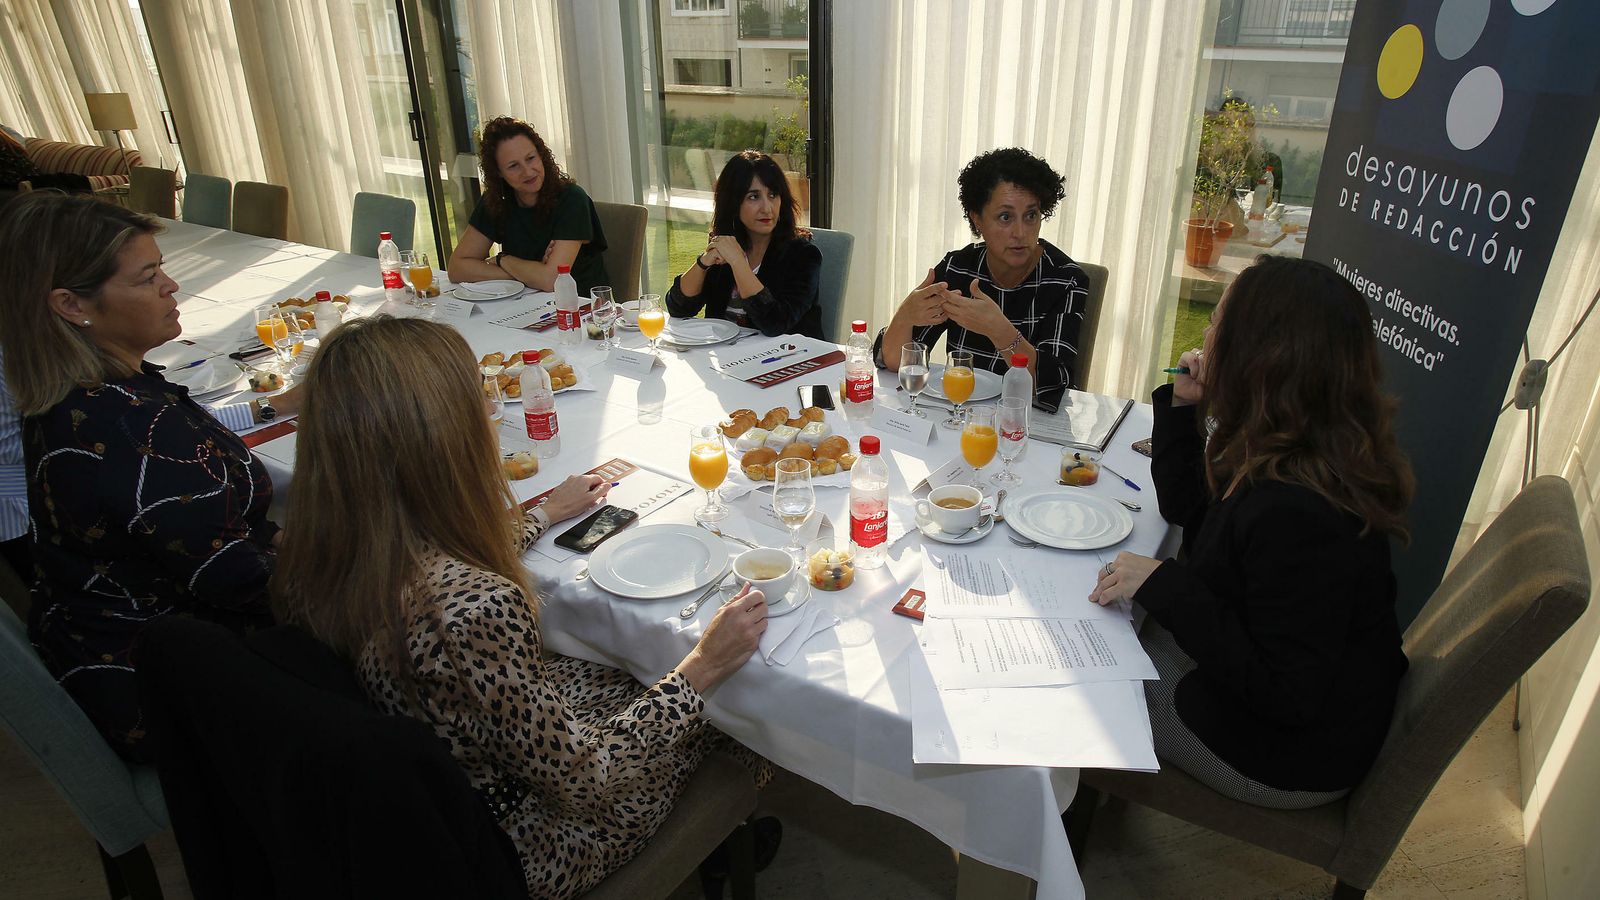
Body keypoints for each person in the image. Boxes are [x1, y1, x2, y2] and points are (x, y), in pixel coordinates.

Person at [273, 315, 773, 900]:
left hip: (432, 793)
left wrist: (541, 514)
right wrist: (704, 666)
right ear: (443, 441)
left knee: (631, 664)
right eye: (478, 403)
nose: (492, 416)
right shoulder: (473, 611)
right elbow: (587, 780)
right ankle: (722, 839)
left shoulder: (314, 548)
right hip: (530, 840)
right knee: (737, 709)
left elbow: (430, 555)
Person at [1090, 255, 1414, 809]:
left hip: (1284, 754)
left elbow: (1286, 695)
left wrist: (1166, 584)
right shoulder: (1298, 443)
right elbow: (1190, 508)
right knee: (1116, 629)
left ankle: (1067, 825)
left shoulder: (1299, 510)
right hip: (1288, 699)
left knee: (1088, 681)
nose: (1204, 337)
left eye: (1217, 323)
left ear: (1259, 357)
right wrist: (1185, 409)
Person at [0, 192, 286, 760]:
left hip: (109, 644)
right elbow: (238, 581)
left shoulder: (78, 395)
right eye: (148, 277)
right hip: (169, 689)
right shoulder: (134, 427)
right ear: (71, 305)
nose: (171, 286)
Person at [875, 148, 1090, 412]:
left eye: (1031, 215)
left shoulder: (1066, 280)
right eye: (1005, 217)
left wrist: (999, 331)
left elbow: (1051, 385)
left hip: (1026, 421)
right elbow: (897, 362)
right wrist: (905, 315)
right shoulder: (958, 267)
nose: (1020, 232)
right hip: (959, 413)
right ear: (977, 219)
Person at [666, 150, 823, 339]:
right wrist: (703, 262)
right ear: (733, 203)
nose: (767, 208)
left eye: (773, 195)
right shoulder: (726, 244)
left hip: (788, 354)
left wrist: (738, 262)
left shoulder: (803, 255)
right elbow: (678, 308)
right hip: (726, 352)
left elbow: (775, 323)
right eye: (753, 197)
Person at [447, 116, 610, 296]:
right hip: (523, 302)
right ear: (498, 173)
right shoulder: (497, 200)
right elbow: (457, 268)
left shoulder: (572, 199)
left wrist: (503, 260)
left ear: (541, 155)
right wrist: (528, 274)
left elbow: (550, 280)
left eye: (531, 158)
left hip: (578, 305)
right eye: (513, 166)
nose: (527, 171)